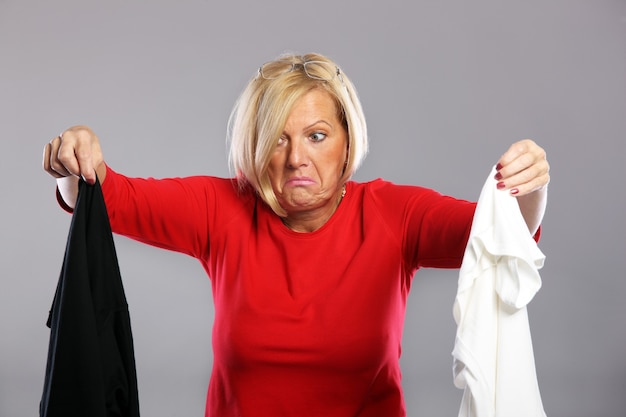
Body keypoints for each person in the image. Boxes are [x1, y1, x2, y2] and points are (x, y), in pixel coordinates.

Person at [42, 52, 549, 417]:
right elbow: (108, 198)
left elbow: (500, 232)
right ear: (257, 147)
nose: (296, 157)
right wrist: (74, 160)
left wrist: (528, 187)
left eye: (317, 135)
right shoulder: (222, 209)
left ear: (348, 144)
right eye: (277, 138)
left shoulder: (395, 214)